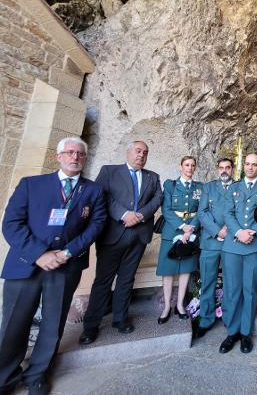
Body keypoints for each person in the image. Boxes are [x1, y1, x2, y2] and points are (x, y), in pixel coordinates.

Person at [0, 137, 107, 395]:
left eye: (80, 154)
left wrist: (68, 252)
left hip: (66, 265)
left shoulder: (93, 191)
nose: (75, 157)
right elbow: (12, 224)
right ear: (58, 156)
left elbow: (96, 224)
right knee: (14, 322)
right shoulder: (31, 185)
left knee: (53, 323)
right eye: (70, 152)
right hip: (27, 264)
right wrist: (40, 254)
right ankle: (5, 376)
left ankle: (37, 374)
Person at [79, 141, 163, 345]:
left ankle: (120, 318)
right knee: (103, 281)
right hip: (113, 235)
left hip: (139, 236)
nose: (141, 155)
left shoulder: (153, 176)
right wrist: (124, 214)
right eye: (137, 151)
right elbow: (101, 196)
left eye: (145, 152)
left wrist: (141, 215)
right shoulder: (109, 172)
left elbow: (158, 198)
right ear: (128, 152)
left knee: (127, 279)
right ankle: (91, 326)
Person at [219, 153, 257, 354]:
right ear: (244, 165)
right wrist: (239, 232)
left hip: (254, 245)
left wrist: (253, 232)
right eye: (248, 164)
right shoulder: (233, 188)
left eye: (254, 165)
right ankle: (231, 332)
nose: (250, 168)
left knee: (249, 289)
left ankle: (245, 333)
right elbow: (228, 212)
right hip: (233, 246)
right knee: (233, 289)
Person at [155, 156, 202, 324]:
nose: (189, 168)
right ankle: (167, 306)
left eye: (192, 165)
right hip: (172, 231)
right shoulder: (170, 185)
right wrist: (182, 227)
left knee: (185, 270)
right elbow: (166, 209)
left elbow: (201, 210)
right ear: (180, 166)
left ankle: (180, 305)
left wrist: (192, 227)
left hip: (192, 232)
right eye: (186, 165)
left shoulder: (199, 187)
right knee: (168, 271)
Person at [196, 158, 233, 338]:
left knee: (230, 283)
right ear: (217, 170)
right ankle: (206, 319)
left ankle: (228, 317)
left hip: (231, 244)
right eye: (221, 168)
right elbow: (201, 212)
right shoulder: (209, 187)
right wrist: (218, 231)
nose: (224, 171)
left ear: (232, 169)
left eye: (227, 167)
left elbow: (242, 212)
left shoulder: (239, 187)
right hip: (211, 242)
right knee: (208, 281)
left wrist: (229, 229)